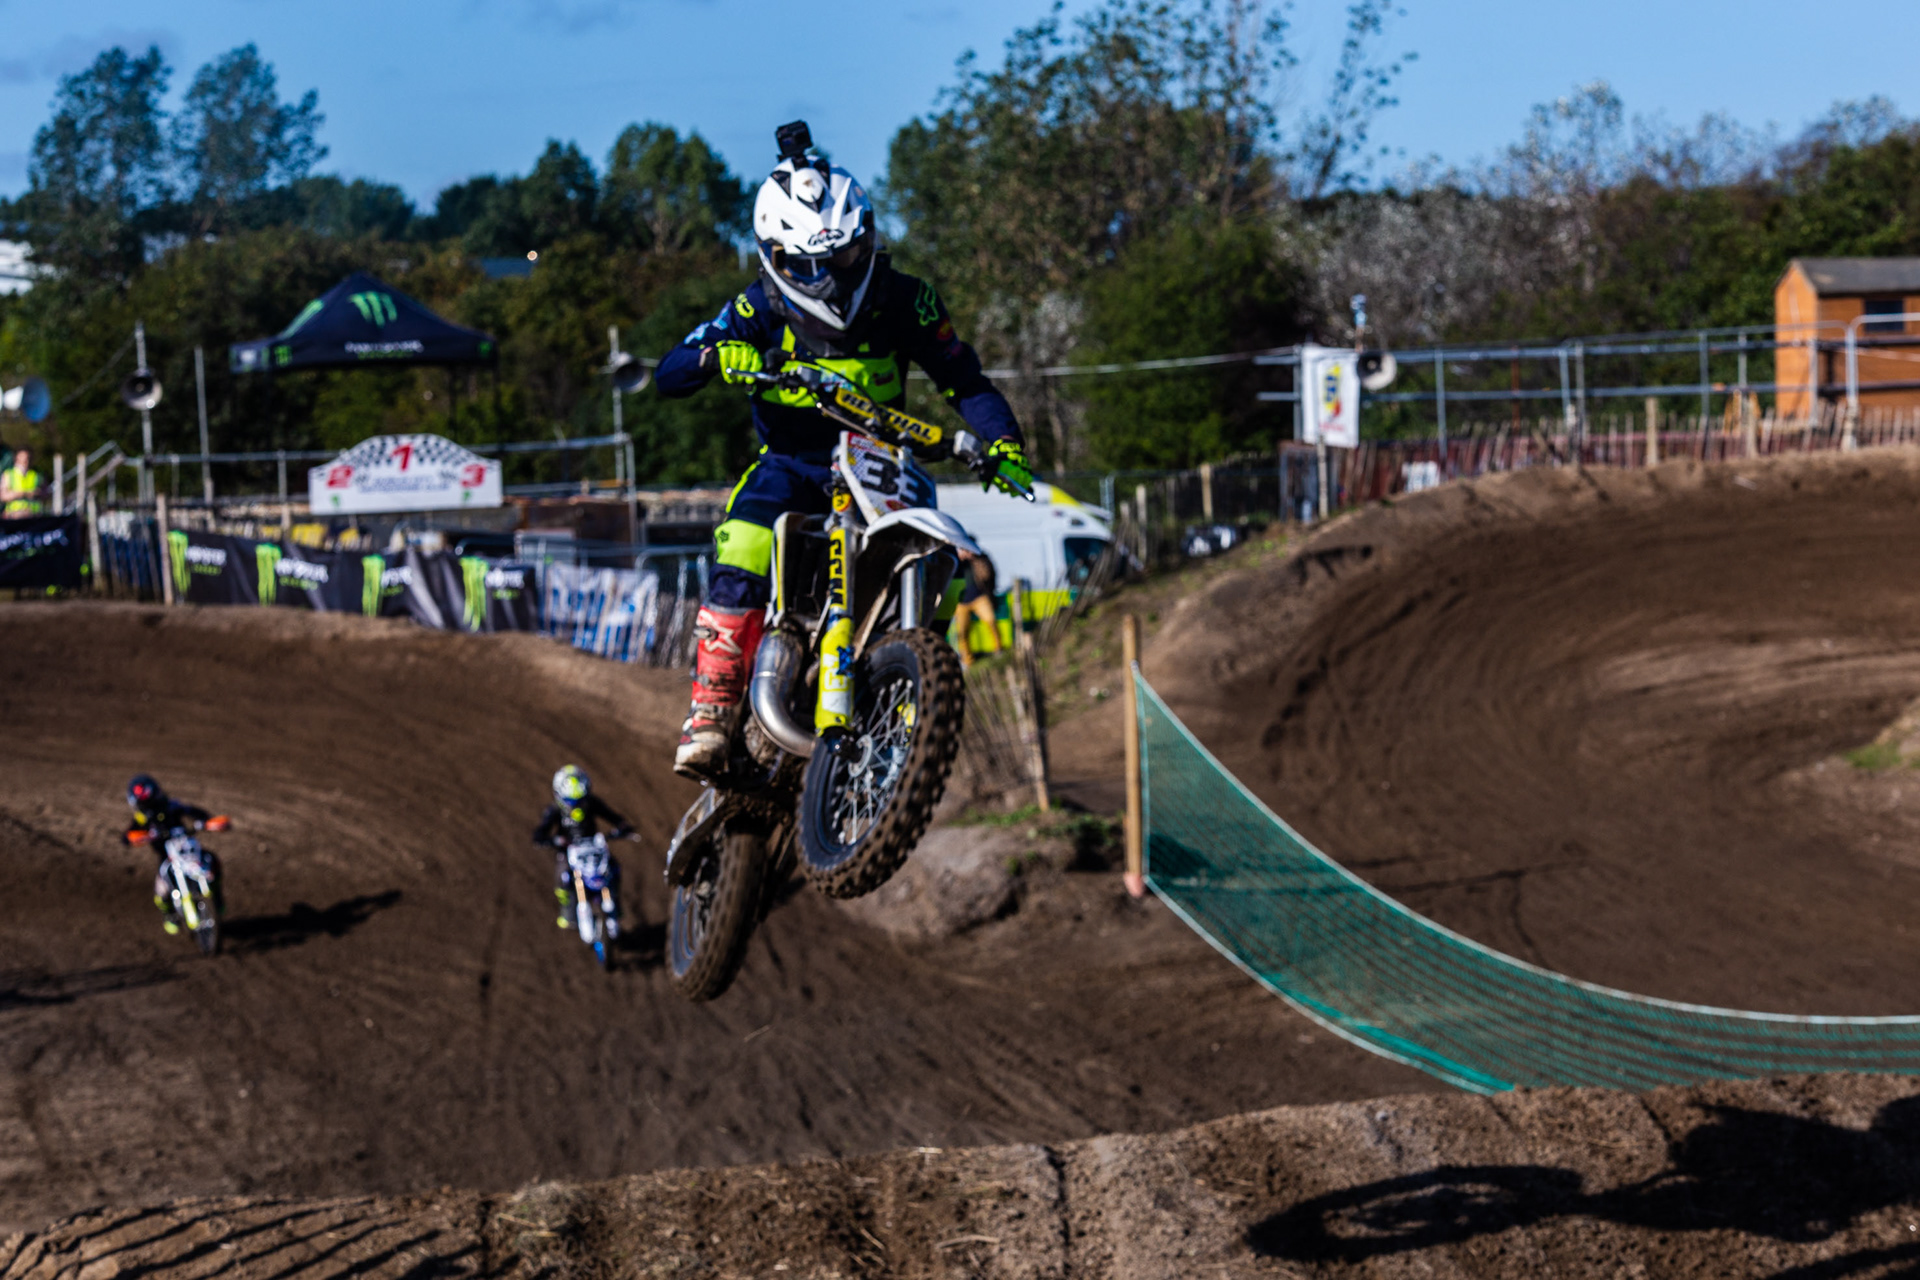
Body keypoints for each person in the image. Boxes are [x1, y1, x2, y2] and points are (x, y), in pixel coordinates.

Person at [655, 120, 1032, 779]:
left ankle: (905, 694)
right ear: (776, 257)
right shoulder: (758, 307)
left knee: (941, 554)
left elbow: (963, 379)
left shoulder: (907, 301)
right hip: (792, 467)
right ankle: (712, 708)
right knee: (743, 542)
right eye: (810, 266)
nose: (830, 278)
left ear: (867, 238)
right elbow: (669, 371)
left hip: (884, 467)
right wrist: (717, 356)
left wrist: (1003, 443)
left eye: (846, 256)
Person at [533, 765, 633, 935]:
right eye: (570, 801)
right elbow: (539, 833)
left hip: (593, 848)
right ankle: (568, 911)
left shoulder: (592, 803)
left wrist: (622, 827)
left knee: (614, 869)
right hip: (569, 852)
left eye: (579, 801)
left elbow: (612, 816)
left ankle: (615, 903)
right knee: (563, 878)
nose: (575, 806)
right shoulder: (554, 810)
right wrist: (554, 840)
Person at [122, 774, 224, 934]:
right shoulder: (142, 818)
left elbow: (193, 812)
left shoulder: (172, 806)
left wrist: (206, 821)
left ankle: (217, 896)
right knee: (161, 890)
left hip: (187, 849)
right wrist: (137, 837)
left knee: (212, 861)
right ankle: (170, 915)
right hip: (167, 857)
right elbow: (127, 836)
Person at [951, 548, 1003, 667]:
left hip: (979, 598)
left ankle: (999, 649)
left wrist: (974, 559)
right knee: (962, 632)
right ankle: (967, 660)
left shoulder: (979, 558)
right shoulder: (954, 560)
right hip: (961, 602)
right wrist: (958, 559)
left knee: (991, 621)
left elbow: (987, 574)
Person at [1, 448, 42, 516]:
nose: (25, 461)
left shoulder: (35, 475)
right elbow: (3, 496)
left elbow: (44, 492)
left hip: (33, 515)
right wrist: (22, 493)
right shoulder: (8, 474)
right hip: (14, 515)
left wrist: (36, 493)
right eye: (22, 458)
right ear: (16, 458)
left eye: (27, 458)